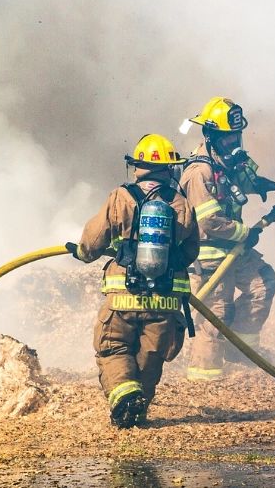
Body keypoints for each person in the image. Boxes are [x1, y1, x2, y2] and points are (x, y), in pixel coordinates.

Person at [68, 134, 199, 428]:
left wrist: (82, 253)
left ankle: (125, 399)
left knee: (114, 348)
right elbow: (191, 251)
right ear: (171, 169)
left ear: (136, 166)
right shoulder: (182, 204)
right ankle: (137, 412)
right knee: (151, 358)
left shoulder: (121, 197)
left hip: (123, 296)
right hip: (164, 302)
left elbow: (92, 240)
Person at [179, 97, 275, 382]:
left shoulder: (225, 163)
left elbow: (240, 183)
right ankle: (205, 377)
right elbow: (209, 221)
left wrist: (261, 184)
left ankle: (240, 352)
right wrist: (245, 234)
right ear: (210, 136)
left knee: (264, 284)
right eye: (227, 137)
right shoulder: (198, 172)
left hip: (235, 250)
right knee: (216, 315)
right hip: (209, 256)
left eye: (237, 135)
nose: (234, 142)